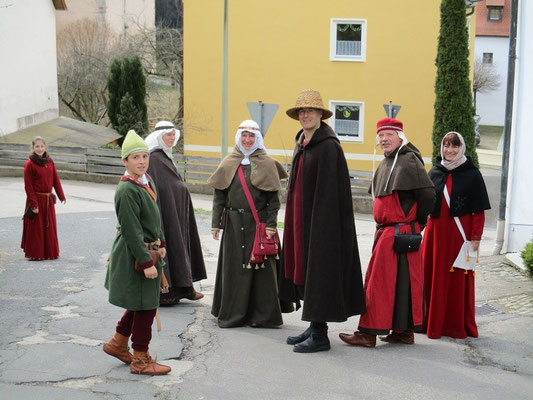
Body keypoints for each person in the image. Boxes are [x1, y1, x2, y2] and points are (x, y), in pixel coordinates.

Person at [280, 89, 366, 353]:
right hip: (301, 219)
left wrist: (321, 226)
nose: (306, 115)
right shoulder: (303, 143)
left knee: (319, 271)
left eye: (311, 111)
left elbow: (330, 193)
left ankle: (320, 335)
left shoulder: (328, 146)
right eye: (302, 111)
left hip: (321, 222)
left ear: (320, 115)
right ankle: (313, 324)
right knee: (304, 269)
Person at [339, 117, 435, 348]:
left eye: (389, 135)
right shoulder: (388, 162)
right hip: (389, 234)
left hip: (398, 234)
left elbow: (428, 196)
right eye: (380, 136)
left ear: (400, 137)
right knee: (400, 285)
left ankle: (367, 333)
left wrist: (417, 223)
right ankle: (403, 332)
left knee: (379, 285)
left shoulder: (409, 161)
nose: (384, 139)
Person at [103, 130, 171, 375]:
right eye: (135, 158)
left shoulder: (144, 181)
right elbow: (131, 230)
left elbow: (153, 218)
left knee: (140, 302)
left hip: (149, 250)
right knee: (145, 307)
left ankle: (117, 344)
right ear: (125, 162)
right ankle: (140, 359)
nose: (142, 161)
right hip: (136, 254)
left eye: (144, 156)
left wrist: (161, 242)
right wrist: (146, 262)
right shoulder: (127, 190)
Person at [208, 120, 288, 328]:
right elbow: (219, 196)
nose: (247, 140)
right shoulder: (228, 162)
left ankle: (260, 316)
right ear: (238, 137)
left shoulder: (267, 164)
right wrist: (216, 223)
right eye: (244, 135)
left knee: (259, 271)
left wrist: (271, 225)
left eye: (251, 136)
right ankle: (233, 314)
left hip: (257, 225)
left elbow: (273, 201)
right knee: (234, 269)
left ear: (257, 139)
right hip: (233, 225)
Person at [422, 131, 490, 339]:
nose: (449, 150)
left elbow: (478, 210)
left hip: (458, 238)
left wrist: (476, 237)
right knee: (431, 277)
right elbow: (424, 202)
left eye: (454, 146)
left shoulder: (472, 174)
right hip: (434, 237)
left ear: (462, 149)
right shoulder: (435, 171)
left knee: (456, 281)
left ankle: (452, 326)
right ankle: (429, 323)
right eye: (446, 146)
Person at [145, 120, 207, 305]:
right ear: (159, 137)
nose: (171, 138)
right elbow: (158, 186)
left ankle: (184, 287)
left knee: (179, 247)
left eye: (173, 135)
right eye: (168, 135)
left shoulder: (165, 156)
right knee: (168, 249)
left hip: (175, 211)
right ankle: (168, 292)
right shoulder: (155, 158)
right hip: (165, 212)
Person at [21, 136, 66, 260]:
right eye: (37, 146)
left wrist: (61, 195)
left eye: (42, 146)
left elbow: (55, 179)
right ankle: (36, 254)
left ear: (45, 147)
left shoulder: (49, 161)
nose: (40, 149)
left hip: (48, 200)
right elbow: (28, 187)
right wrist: (34, 204)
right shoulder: (29, 164)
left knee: (49, 228)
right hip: (36, 199)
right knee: (37, 229)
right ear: (33, 147)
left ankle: (49, 252)